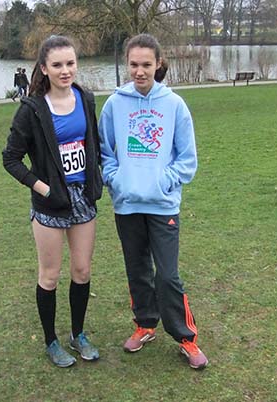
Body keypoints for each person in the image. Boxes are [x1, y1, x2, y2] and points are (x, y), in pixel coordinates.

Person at [98, 33, 208, 370]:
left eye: (146, 64)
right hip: (128, 205)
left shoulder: (174, 105)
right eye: (133, 64)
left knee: (168, 276)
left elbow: (187, 159)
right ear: (127, 64)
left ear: (158, 64)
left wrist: (163, 181)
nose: (139, 71)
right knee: (138, 271)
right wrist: (118, 181)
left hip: (162, 205)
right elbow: (104, 152)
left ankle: (186, 337)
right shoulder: (115, 104)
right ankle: (145, 324)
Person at [2, 35, 103, 368]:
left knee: (82, 270)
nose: (65, 70)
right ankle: (51, 341)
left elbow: (93, 144)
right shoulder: (31, 109)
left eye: (70, 63)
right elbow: (11, 159)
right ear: (44, 68)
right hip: (49, 203)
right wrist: (43, 188)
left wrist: (96, 178)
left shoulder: (85, 99)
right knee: (50, 275)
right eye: (57, 65)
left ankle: (78, 334)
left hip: (83, 199)